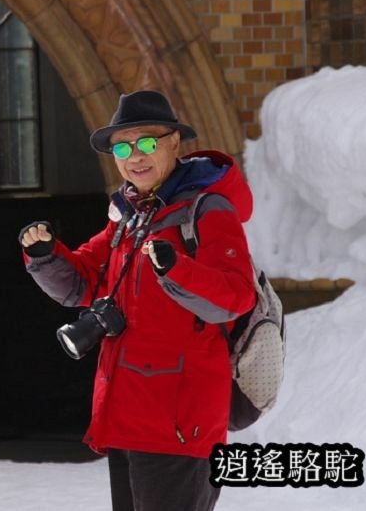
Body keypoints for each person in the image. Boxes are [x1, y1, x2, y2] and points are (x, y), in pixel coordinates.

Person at [19, 89, 255, 511]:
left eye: (146, 142)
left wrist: (175, 268)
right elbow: (84, 282)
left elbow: (235, 296)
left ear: (174, 143)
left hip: (180, 423)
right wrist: (44, 254)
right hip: (129, 417)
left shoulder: (207, 209)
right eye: (122, 147)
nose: (135, 156)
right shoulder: (132, 215)